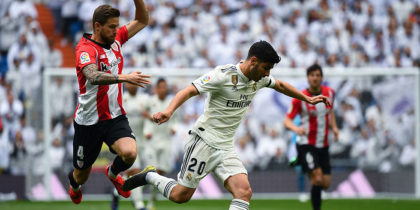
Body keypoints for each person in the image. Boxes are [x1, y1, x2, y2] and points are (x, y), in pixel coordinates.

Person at [123, 41, 331, 210]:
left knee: (244, 192)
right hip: (203, 141)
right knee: (180, 196)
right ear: (254, 61)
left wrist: (307, 99)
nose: (268, 74)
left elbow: (282, 85)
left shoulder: (259, 79)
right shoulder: (223, 75)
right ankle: (150, 176)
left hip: (226, 146)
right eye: (266, 68)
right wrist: (169, 110)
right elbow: (189, 90)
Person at [68, 1, 150, 204]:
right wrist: (124, 77)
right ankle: (74, 185)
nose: (117, 30)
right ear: (97, 26)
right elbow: (92, 75)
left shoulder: (116, 39)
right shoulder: (85, 49)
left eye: (117, 26)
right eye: (112, 26)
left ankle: (113, 174)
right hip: (88, 122)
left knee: (130, 153)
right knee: (81, 175)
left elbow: (142, 20)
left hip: (114, 116)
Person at [283, 64, 339, 210]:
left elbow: (330, 111)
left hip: (323, 144)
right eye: (312, 75)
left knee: (325, 184)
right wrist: (296, 128)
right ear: (308, 78)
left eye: (317, 75)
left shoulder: (330, 93)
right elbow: (287, 121)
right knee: (317, 178)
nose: (315, 78)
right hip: (306, 143)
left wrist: (334, 127)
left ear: (321, 77)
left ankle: (301, 160)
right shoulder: (299, 98)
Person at [111, 82, 149, 210]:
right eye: (129, 83)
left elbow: (153, 117)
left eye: (134, 84)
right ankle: (139, 204)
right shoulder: (121, 99)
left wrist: (149, 117)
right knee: (134, 171)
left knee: (151, 173)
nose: (132, 86)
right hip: (128, 140)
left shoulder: (145, 99)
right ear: (126, 85)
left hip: (145, 141)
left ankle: (117, 191)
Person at [142, 78, 176, 210]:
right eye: (160, 87)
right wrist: (147, 131)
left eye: (164, 87)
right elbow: (145, 116)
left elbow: (176, 118)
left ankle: (149, 200)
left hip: (166, 140)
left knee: (160, 174)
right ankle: (146, 200)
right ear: (156, 88)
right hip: (152, 141)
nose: (163, 89)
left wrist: (175, 127)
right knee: (153, 171)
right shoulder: (150, 101)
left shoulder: (171, 102)